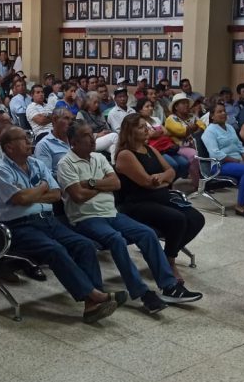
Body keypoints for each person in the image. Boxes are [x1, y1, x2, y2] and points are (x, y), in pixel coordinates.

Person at [59, 122, 202, 314]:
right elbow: (78, 196)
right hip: (86, 218)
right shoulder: (65, 163)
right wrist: (102, 186)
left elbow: (116, 183)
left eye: (91, 134)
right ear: (74, 141)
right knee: (116, 239)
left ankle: (169, 286)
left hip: (112, 213)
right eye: (86, 135)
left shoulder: (98, 158)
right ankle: (143, 293)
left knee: (147, 233)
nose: (92, 138)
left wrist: (91, 183)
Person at [0, 127, 123, 323]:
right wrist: (42, 187)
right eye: (24, 139)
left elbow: (56, 194)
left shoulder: (36, 164)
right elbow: (20, 199)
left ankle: (91, 304)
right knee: (55, 250)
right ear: (9, 147)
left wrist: (33, 194)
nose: (29, 141)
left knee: (84, 245)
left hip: (48, 221)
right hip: (19, 227)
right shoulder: (0, 170)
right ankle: (95, 296)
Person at [113, 115, 204, 282]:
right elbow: (147, 183)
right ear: (130, 131)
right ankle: (170, 262)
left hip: (159, 197)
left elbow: (172, 171)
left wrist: (161, 178)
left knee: (197, 218)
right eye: (141, 127)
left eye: (145, 126)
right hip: (137, 203)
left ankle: (164, 255)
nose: (147, 130)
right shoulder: (125, 154)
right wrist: (165, 180)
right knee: (178, 219)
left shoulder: (150, 149)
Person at [201, 104, 244, 218]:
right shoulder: (209, 132)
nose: (223, 114)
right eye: (219, 112)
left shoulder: (230, 127)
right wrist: (237, 161)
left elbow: (239, 145)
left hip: (239, 162)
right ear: (212, 116)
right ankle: (240, 205)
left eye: (224, 111)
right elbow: (215, 153)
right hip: (220, 165)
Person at [137, 98, 188, 178]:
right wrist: (158, 132)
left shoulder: (155, 119)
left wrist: (155, 133)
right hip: (155, 149)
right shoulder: (140, 122)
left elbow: (166, 133)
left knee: (184, 163)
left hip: (166, 146)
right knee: (173, 165)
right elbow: (149, 135)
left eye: (151, 106)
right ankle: (170, 185)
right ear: (140, 110)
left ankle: (180, 184)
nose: (150, 108)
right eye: (147, 107)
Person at [34, 107, 74, 174]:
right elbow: (47, 176)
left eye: (72, 119)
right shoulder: (44, 145)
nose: (70, 122)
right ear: (55, 119)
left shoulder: (75, 140)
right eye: (66, 118)